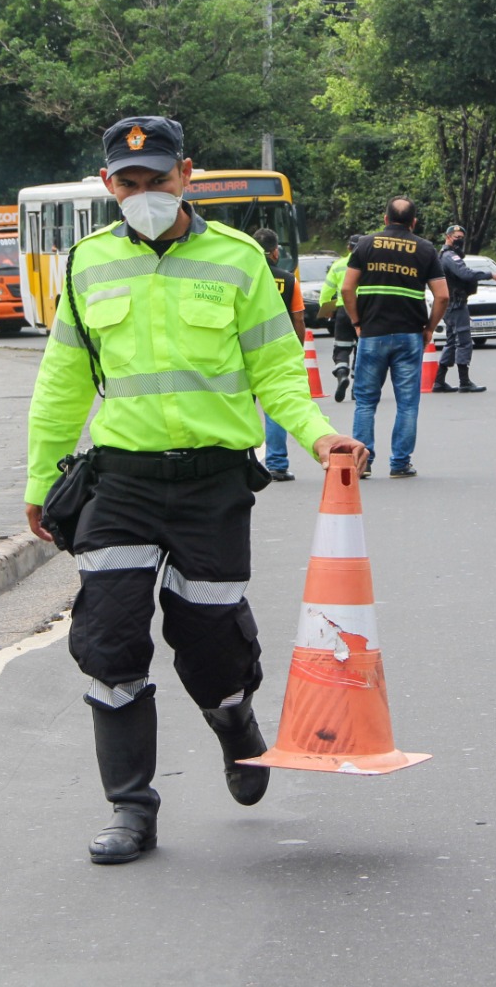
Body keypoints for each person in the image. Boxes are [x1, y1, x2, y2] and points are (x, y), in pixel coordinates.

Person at [23, 115, 366, 866]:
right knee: (111, 642)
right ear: (108, 184)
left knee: (210, 639)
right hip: (121, 481)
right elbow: (63, 380)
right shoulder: (84, 264)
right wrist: (41, 475)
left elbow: (277, 369)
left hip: (213, 481)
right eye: (128, 182)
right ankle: (130, 809)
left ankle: (232, 716)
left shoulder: (240, 260)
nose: (143, 193)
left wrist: (318, 436)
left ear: (187, 176)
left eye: (157, 179)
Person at [340, 198, 449, 478]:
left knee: (365, 402)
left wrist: (356, 322)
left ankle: (362, 463)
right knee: (407, 403)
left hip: (372, 333)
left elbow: (347, 289)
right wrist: (429, 328)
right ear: (414, 222)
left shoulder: (365, 244)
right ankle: (400, 464)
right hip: (409, 335)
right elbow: (443, 296)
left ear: (385, 219)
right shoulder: (425, 249)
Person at [252, 227, 307, 481]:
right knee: (275, 408)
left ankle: (243, 463)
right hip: (275, 352)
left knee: (240, 408)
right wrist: (297, 349)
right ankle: (276, 464)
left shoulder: (242, 276)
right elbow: (298, 319)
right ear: (275, 252)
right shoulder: (288, 280)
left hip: (242, 352)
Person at [432, 223, 496, 393]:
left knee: (451, 342)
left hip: (450, 305)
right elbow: (466, 274)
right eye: (456, 237)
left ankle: (439, 381)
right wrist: (490, 274)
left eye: (462, 238)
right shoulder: (450, 256)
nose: (459, 241)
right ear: (447, 237)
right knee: (463, 341)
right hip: (456, 305)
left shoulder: (445, 255)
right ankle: (464, 381)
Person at [318, 234, 362, 402]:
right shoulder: (368, 265)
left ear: (348, 247)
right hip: (363, 310)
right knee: (362, 348)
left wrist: (326, 310)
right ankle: (357, 388)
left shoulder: (338, 265)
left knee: (341, 347)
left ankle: (342, 374)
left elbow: (326, 292)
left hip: (343, 310)